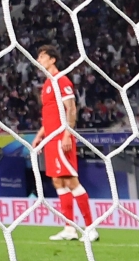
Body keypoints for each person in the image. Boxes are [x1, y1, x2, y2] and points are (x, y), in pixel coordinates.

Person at [32, 45, 97, 242]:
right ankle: (69, 228)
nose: (38, 60)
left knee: (70, 181)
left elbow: (71, 109)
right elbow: (50, 114)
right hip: (51, 138)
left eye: (42, 57)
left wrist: (68, 134)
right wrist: (40, 135)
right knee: (58, 181)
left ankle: (91, 228)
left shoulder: (62, 80)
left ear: (52, 60)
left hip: (62, 138)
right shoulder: (46, 85)